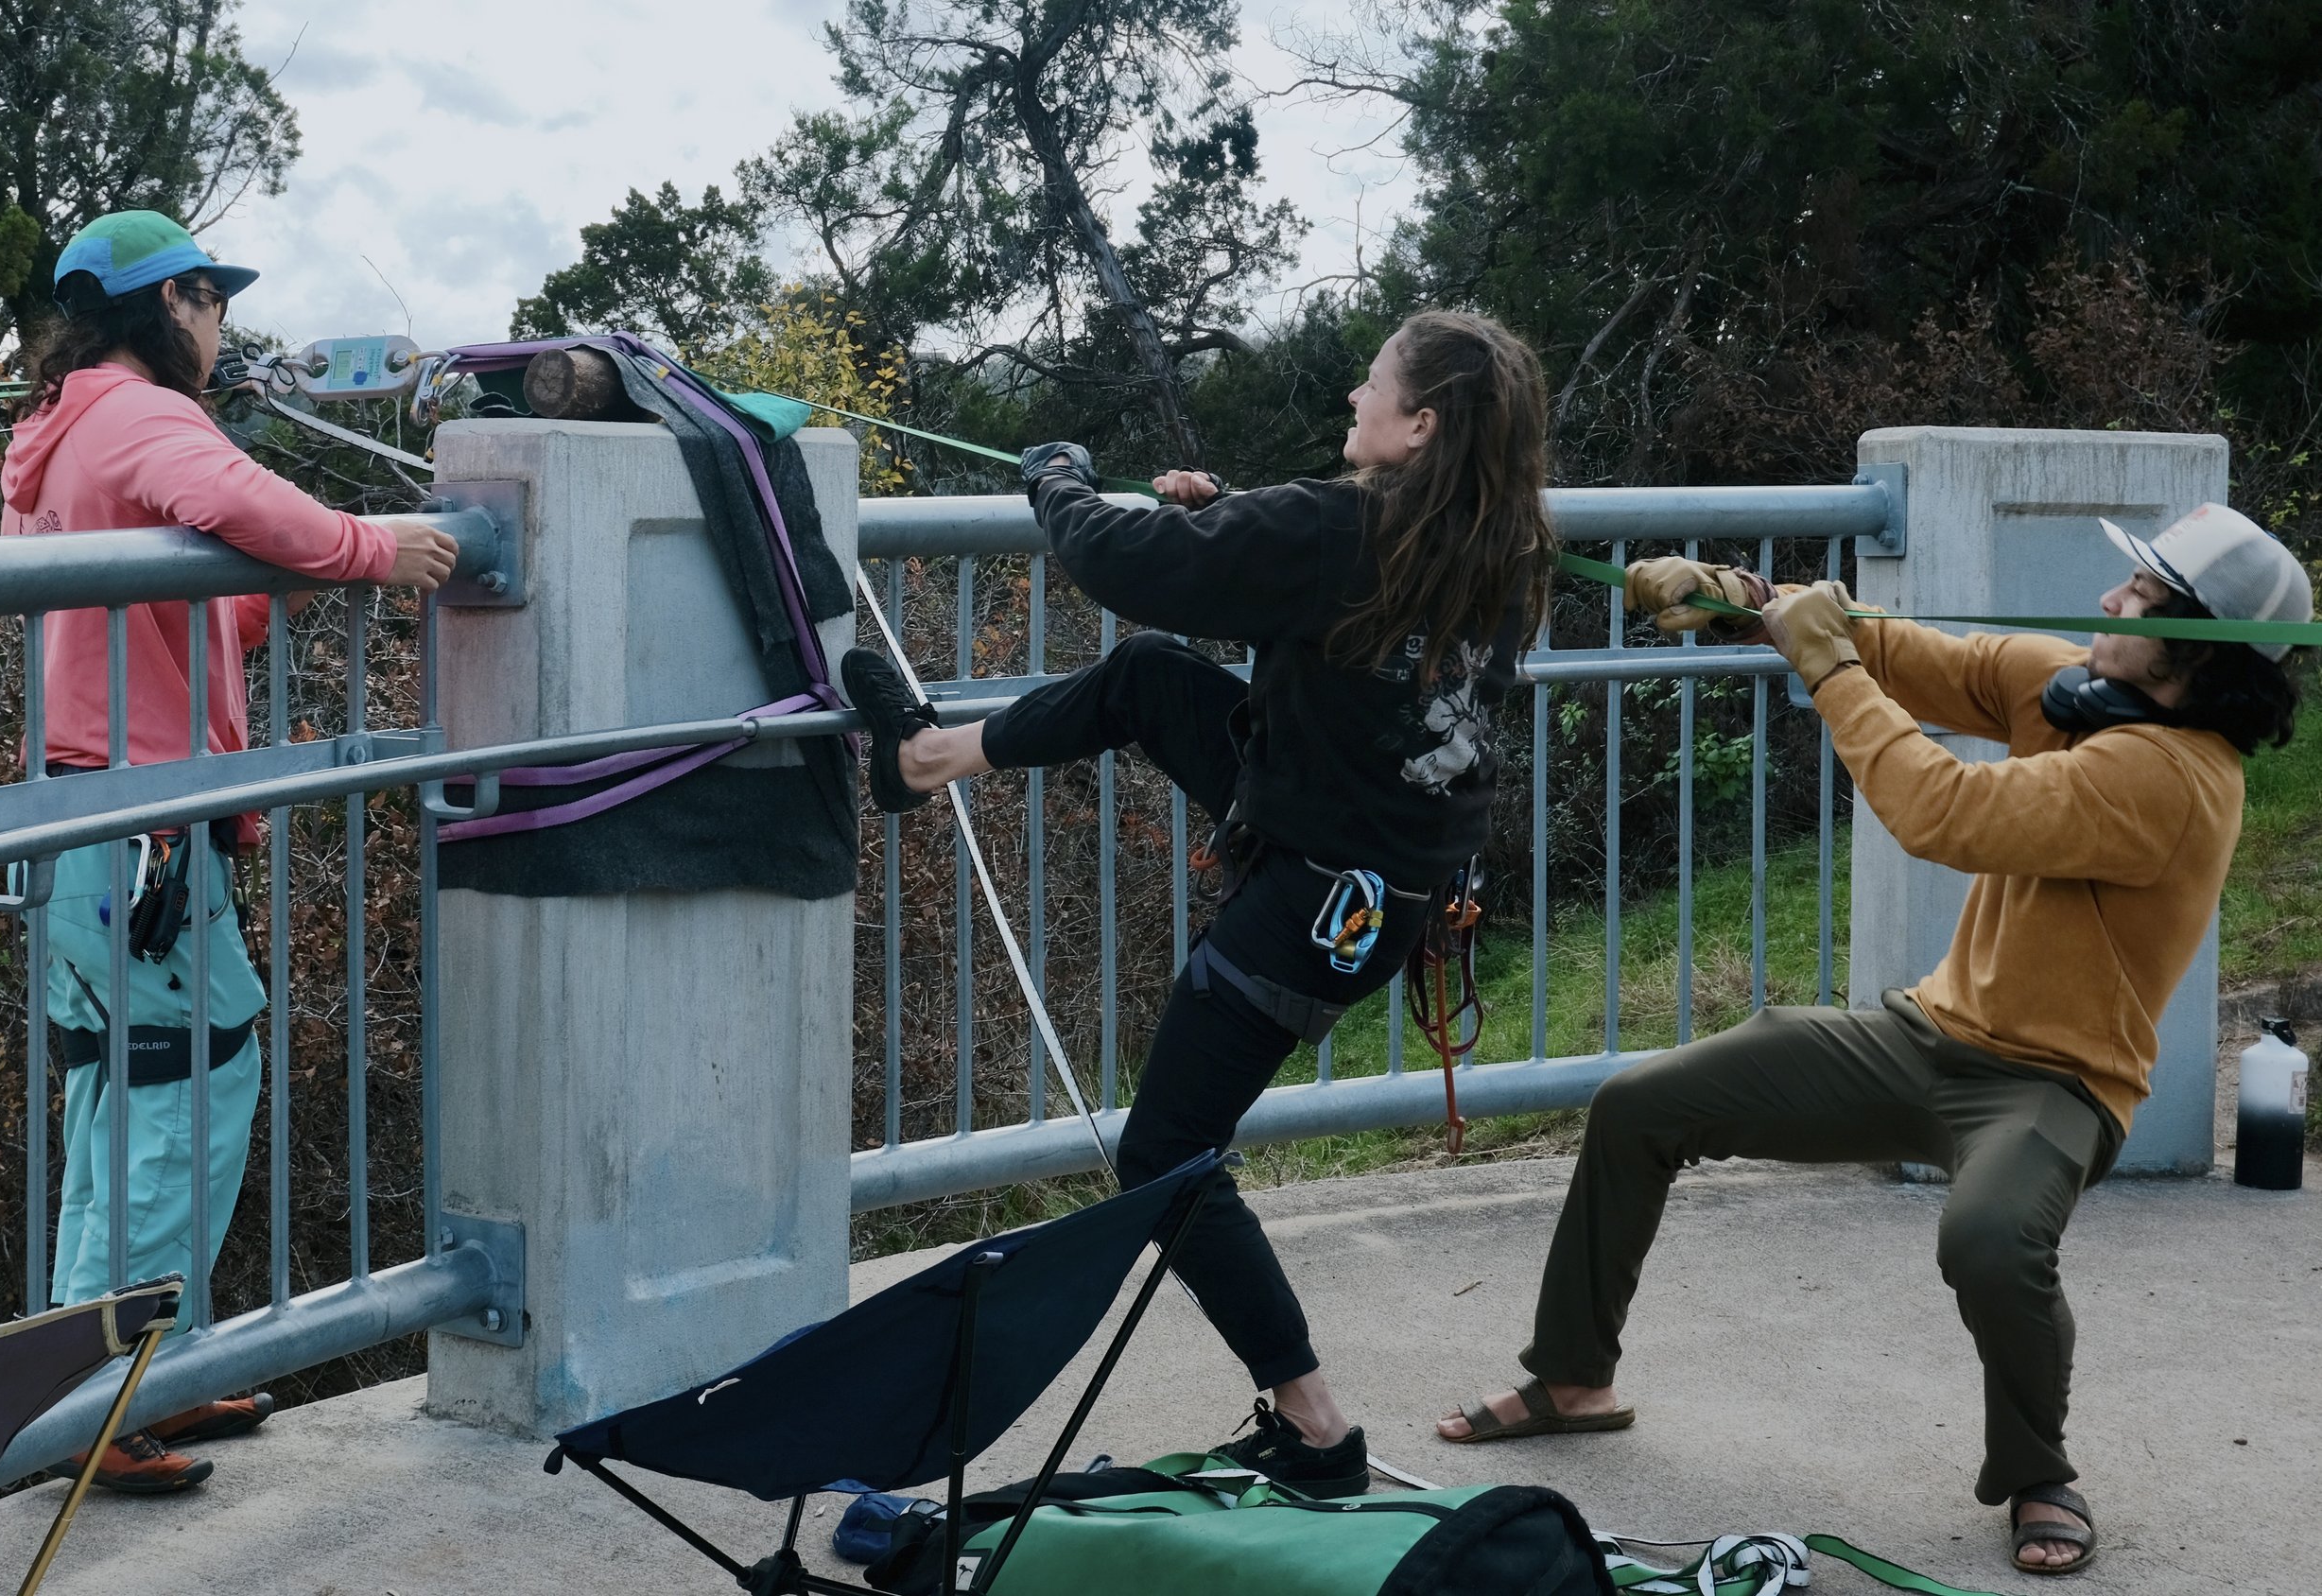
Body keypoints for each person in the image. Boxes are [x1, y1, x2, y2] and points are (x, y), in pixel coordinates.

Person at [1436, 503, 2313, 1575]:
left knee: (1989, 1238)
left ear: (2201, 638)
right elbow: (1896, 647)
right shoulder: (2076, 688)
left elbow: (1939, 809)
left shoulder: (2171, 783)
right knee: (1638, 1105)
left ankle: (2039, 1471)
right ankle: (1573, 1375)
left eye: (2136, 590)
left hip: (2055, 1086)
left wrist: (1826, 673)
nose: (2107, 599)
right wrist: (1737, 595)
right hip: (1923, 1036)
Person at [843, 310, 1554, 1497]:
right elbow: (1321, 599)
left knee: (1167, 1149)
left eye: (1371, 385)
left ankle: (1317, 1426)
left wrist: (1055, 479)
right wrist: (1223, 518)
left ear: (1419, 423)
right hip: (1380, 871)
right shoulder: (1500, 539)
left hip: (1319, 898)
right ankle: (925, 759)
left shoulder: (1340, 530)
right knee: (1149, 680)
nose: (1351, 397)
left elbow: (1117, 565)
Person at [0, 211, 459, 1493]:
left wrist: (289, 580)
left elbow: (190, 615)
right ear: (170, 303)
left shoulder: (61, 426)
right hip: (141, 828)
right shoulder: (145, 419)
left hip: (83, 817)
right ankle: (112, 1395)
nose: (222, 327)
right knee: (188, 1086)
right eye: (210, 300)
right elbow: (240, 498)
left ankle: (128, 1377)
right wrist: (377, 549)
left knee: (121, 1095)